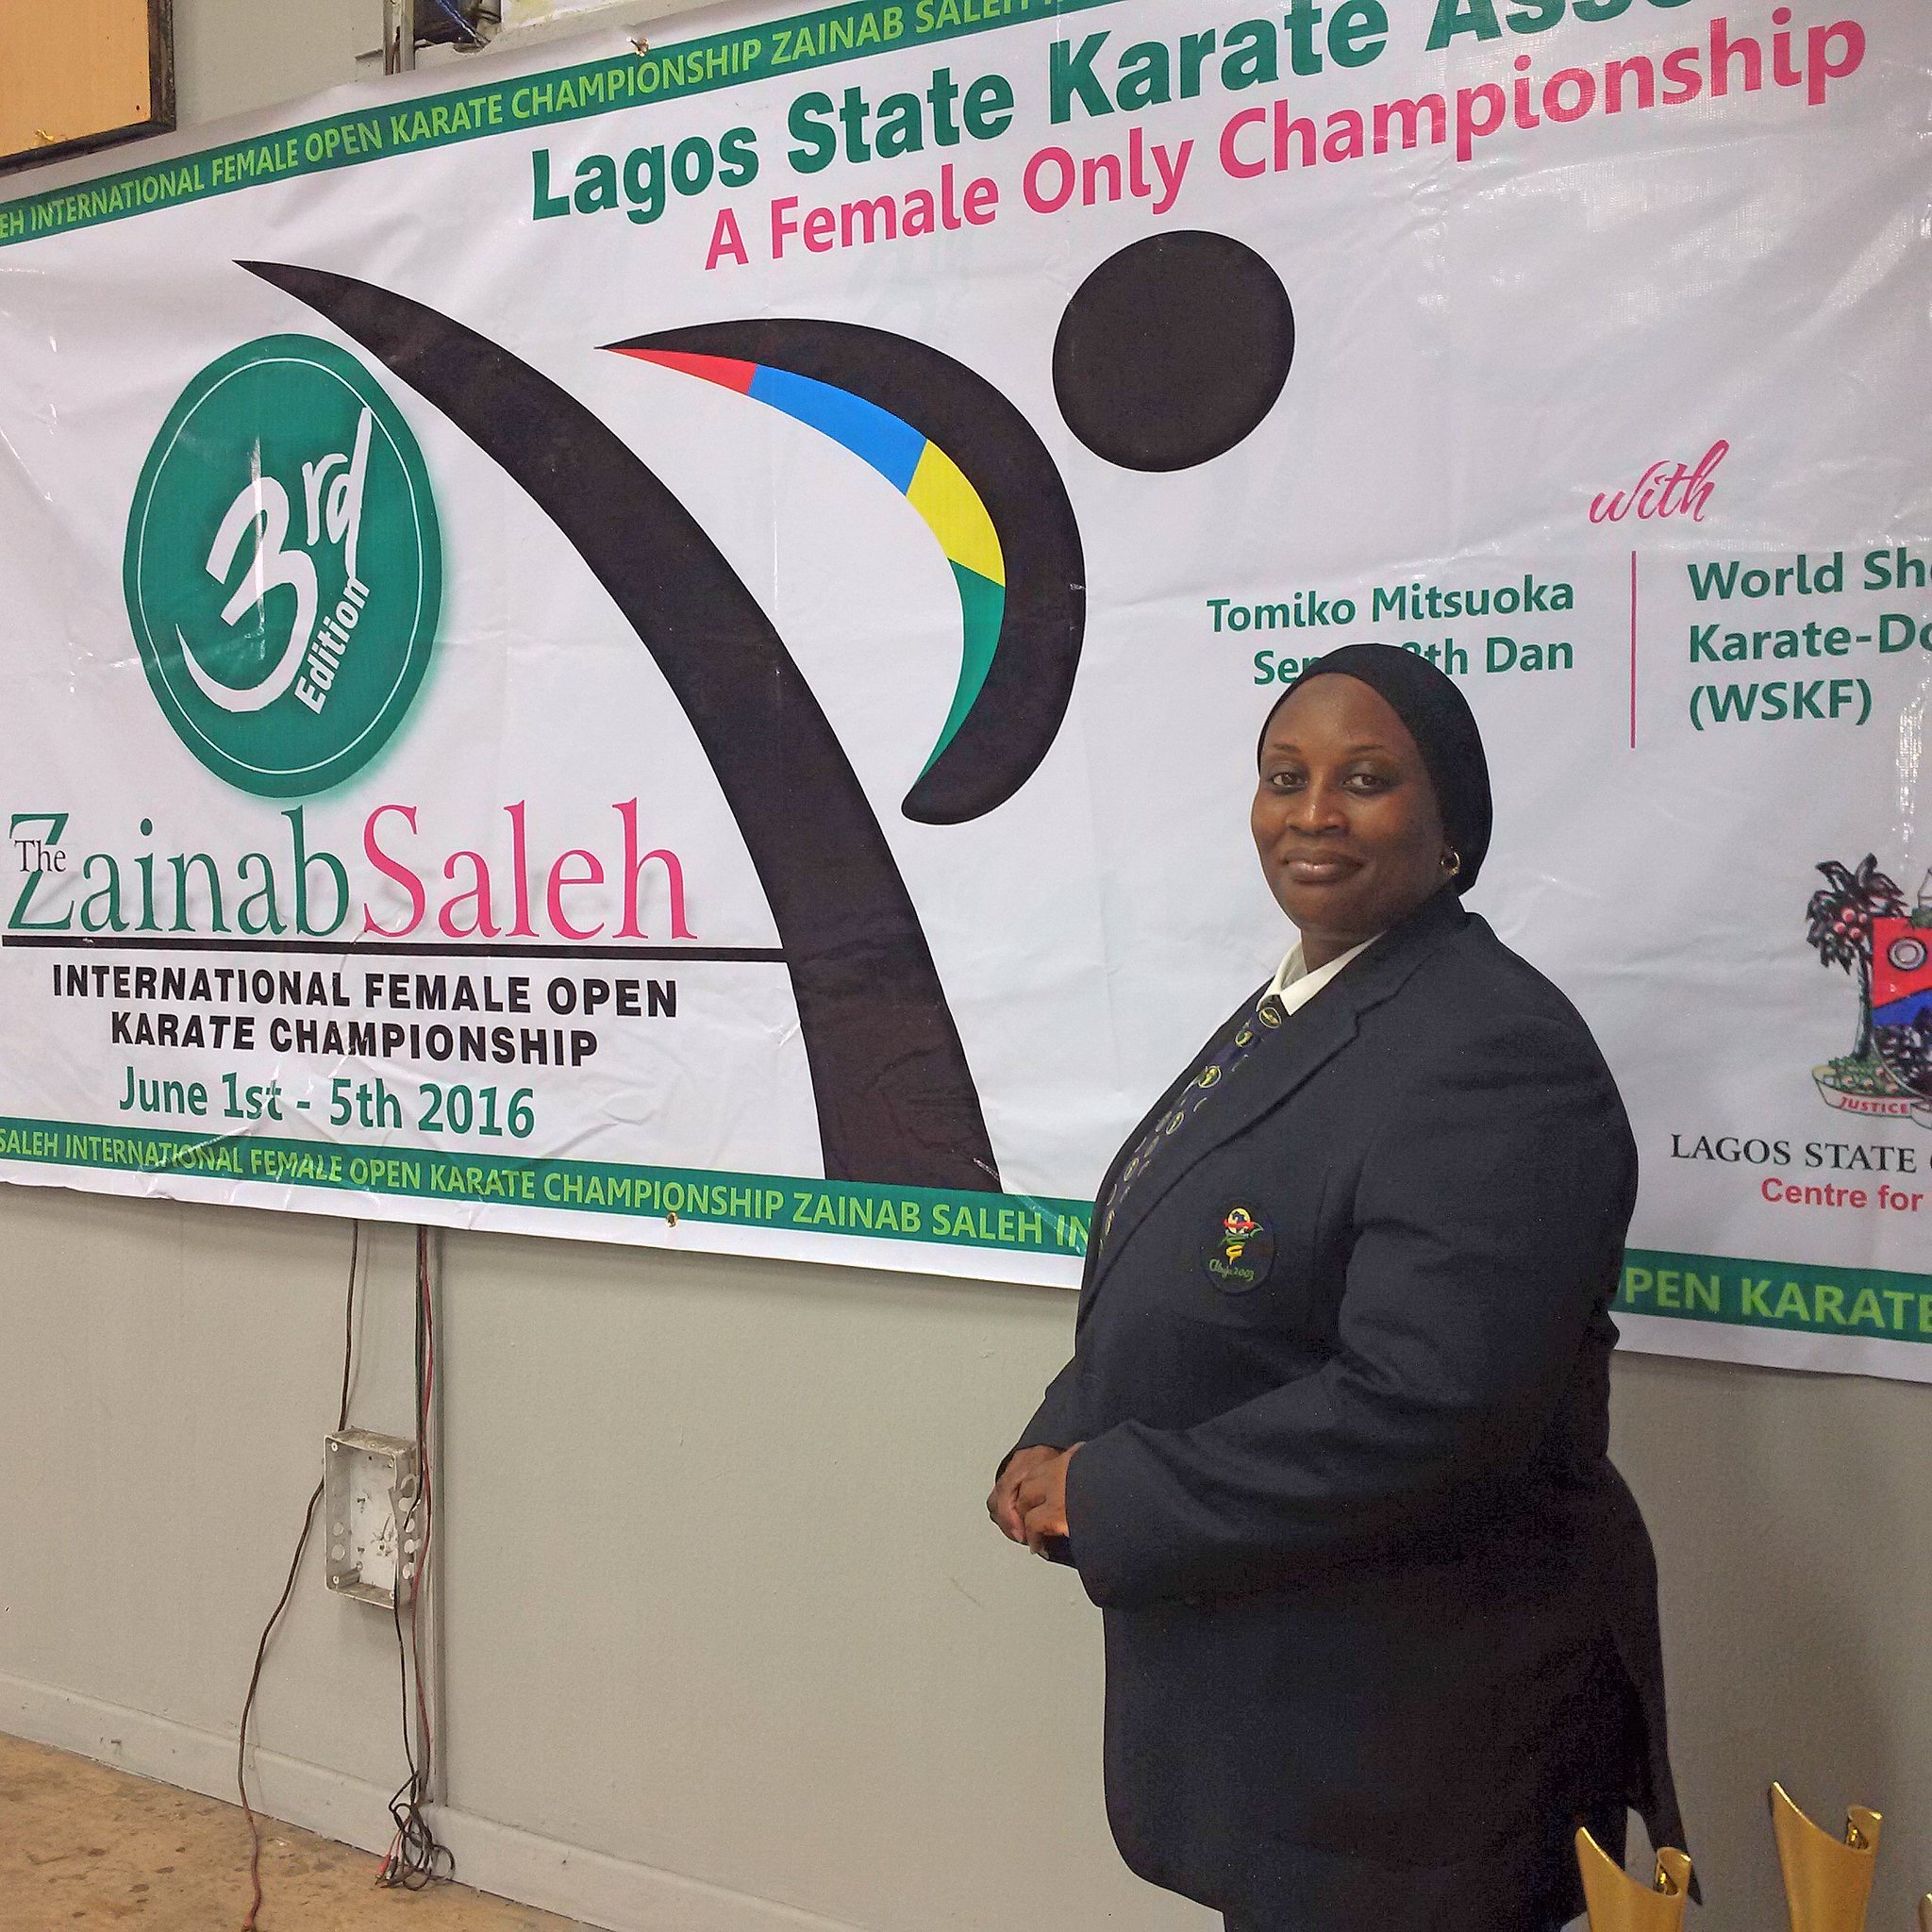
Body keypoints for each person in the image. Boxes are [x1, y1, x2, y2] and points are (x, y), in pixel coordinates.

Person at [988, 643, 1686, 1932]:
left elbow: (1428, 1407)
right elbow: (1183, 1272)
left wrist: (1114, 1490)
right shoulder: (1309, 1000)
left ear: (1452, 825)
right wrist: (1062, 1431)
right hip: (1288, 1707)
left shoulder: (1492, 1049)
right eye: (1284, 777)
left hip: (1413, 1738)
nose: (1313, 813)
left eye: (1365, 780)